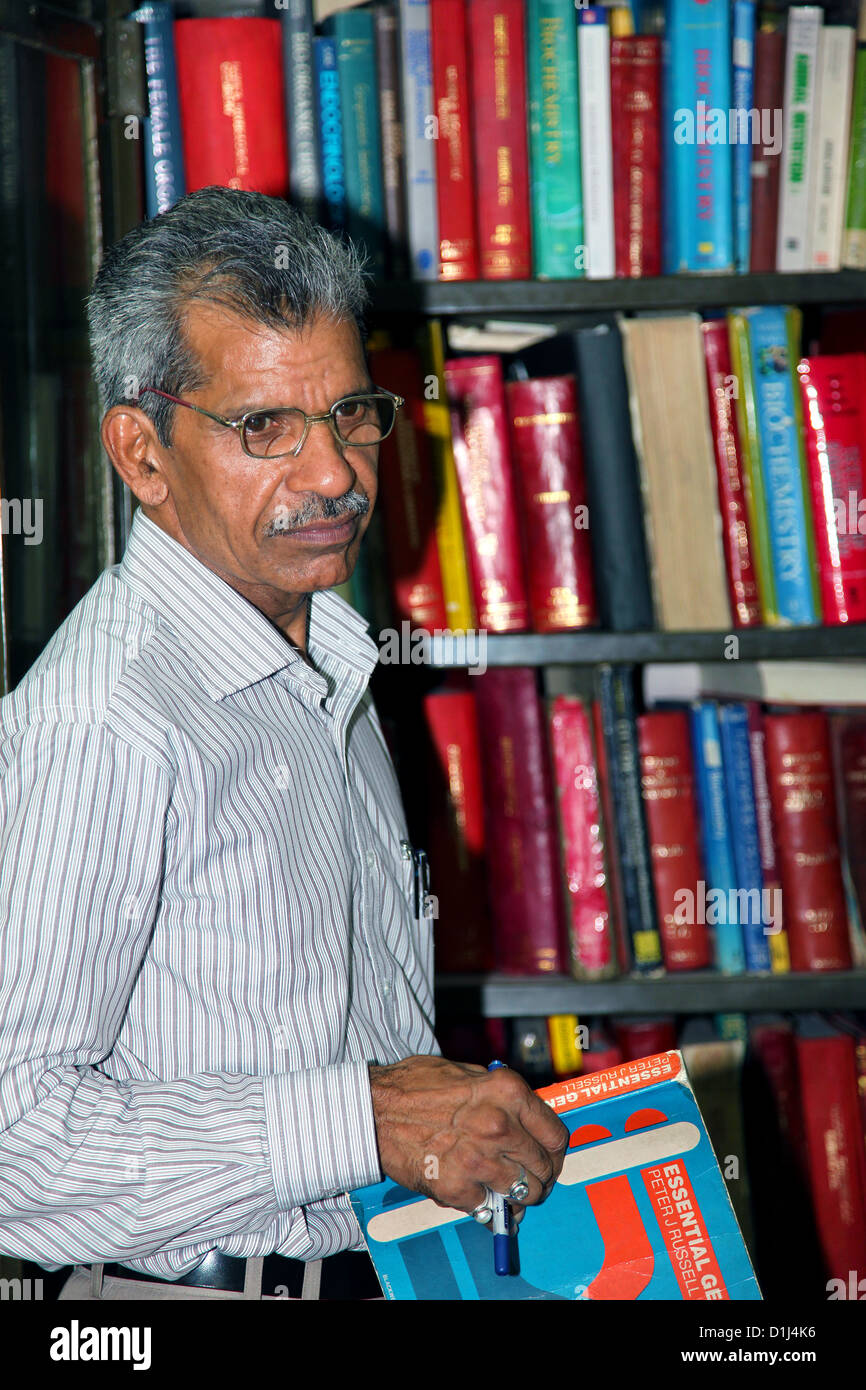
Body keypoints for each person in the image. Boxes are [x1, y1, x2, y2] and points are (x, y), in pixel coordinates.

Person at [0, 186, 567, 1301]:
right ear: (141, 452)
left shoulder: (322, 662)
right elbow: (13, 1137)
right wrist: (364, 1116)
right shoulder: (107, 719)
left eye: (351, 414)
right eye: (266, 427)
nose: (334, 477)